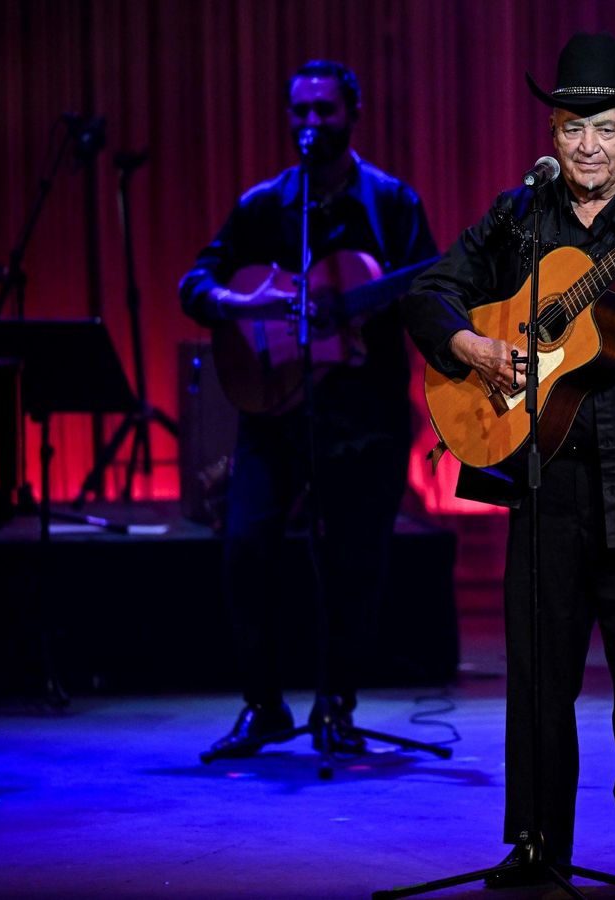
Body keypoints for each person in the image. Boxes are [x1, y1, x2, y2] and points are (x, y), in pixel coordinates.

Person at [401, 32, 615, 889]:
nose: (587, 145)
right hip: (544, 483)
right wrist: (473, 349)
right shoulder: (521, 217)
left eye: (605, 128)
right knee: (536, 684)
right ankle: (535, 842)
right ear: (552, 134)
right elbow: (426, 293)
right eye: (571, 128)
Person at [178, 60, 439, 756]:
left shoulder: (390, 203)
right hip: (275, 413)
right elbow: (194, 283)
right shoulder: (266, 205)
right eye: (300, 112)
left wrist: (403, 306)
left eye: (324, 110)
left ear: (352, 113)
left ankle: (336, 705)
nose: (311, 124)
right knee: (245, 549)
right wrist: (246, 303)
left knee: (356, 563)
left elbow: (434, 295)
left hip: (367, 418)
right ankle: (264, 706)